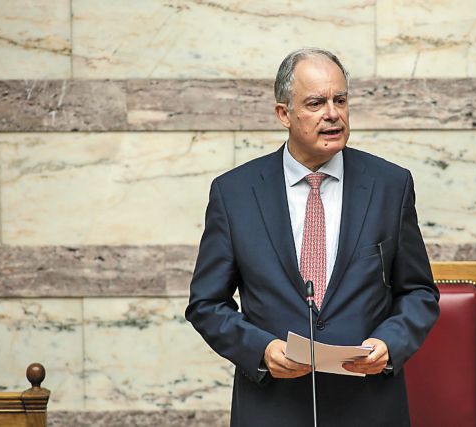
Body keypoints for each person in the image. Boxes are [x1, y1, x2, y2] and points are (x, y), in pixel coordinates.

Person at [185, 47, 440, 427]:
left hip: (368, 406)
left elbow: (418, 291)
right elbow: (206, 304)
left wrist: (389, 343)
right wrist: (262, 350)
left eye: (341, 100)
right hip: (273, 408)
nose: (333, 114)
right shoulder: (235, 193)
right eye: (316, 103)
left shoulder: (390, 185)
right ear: (283, 114)